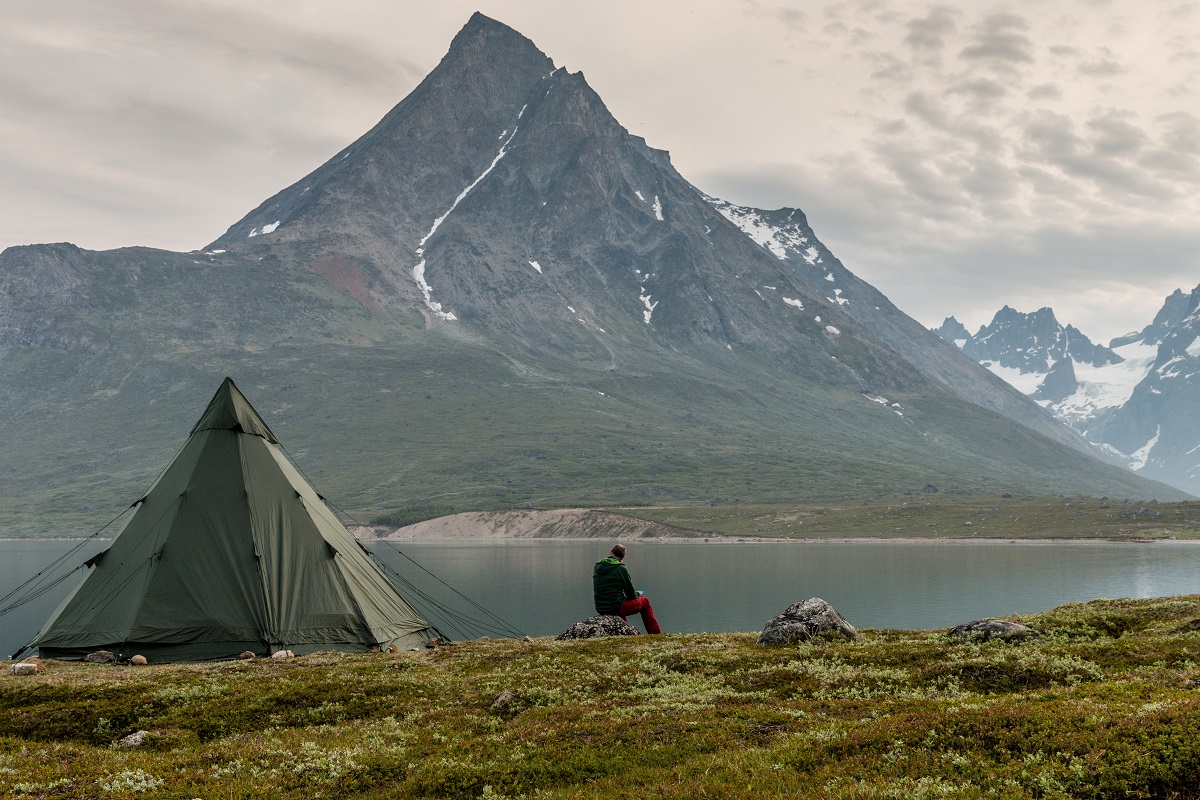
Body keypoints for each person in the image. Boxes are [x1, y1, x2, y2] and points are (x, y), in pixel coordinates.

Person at [592, 543, 661, 634]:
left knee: (621, 604)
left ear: (611, 552)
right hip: (615, 607)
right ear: (623, 557)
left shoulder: (597, 566)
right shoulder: (621, 569)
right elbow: (631, 594)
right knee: (645, 602)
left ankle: (626, 633)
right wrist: (638, 594)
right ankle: (656, 634)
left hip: (600, 607)